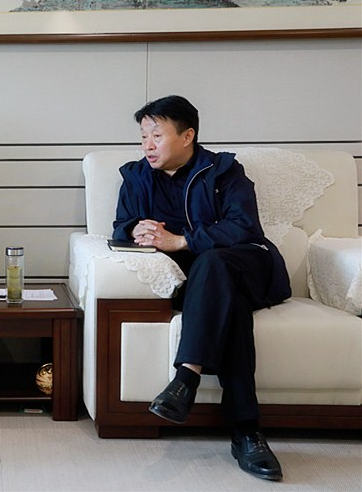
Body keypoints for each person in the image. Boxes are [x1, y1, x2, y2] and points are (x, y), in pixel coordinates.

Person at [112, 95, 290, 481]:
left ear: (187, 135)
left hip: (246, 263)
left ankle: (186, 377)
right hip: (201, 285)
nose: (147, 145)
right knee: (233, 310)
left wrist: (181, 241)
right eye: (143, 136)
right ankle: (247, 433)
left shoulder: (223, 170)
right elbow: (120, 225)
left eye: (157, 135)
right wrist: (135, 229)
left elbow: (244, 227)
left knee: (213, 262)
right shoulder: (136, 176)